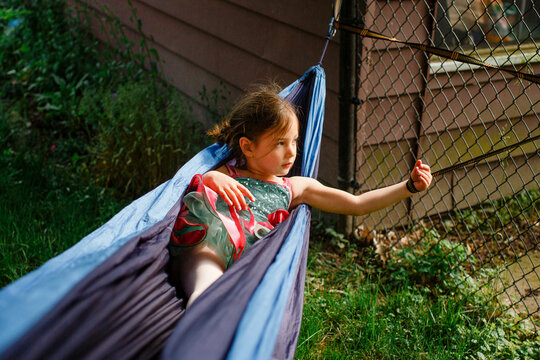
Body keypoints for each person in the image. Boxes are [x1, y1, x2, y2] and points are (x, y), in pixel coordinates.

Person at [169, 84, 433, 307]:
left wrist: (407, 187)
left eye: (294, 141)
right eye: (280, 143)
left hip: (249, 260)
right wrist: (211, 177)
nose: (292, 152)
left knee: (223, 290)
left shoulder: (296, 187)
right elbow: (196, 190)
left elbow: (357, 204)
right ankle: (200, 309)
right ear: (248, 147)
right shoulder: (226, 172)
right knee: (206, 278)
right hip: (211, 241)